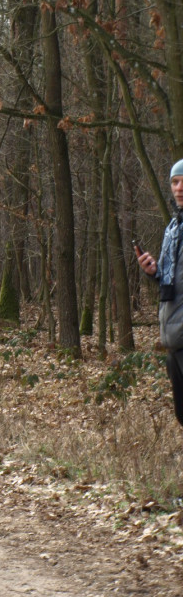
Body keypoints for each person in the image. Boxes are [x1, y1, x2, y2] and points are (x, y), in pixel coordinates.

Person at [137, 158, 183, 428]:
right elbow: (171, 282)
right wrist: (153, 271)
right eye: (175, 182)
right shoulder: (173, 230)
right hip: (173, 340)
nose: (179, 188)